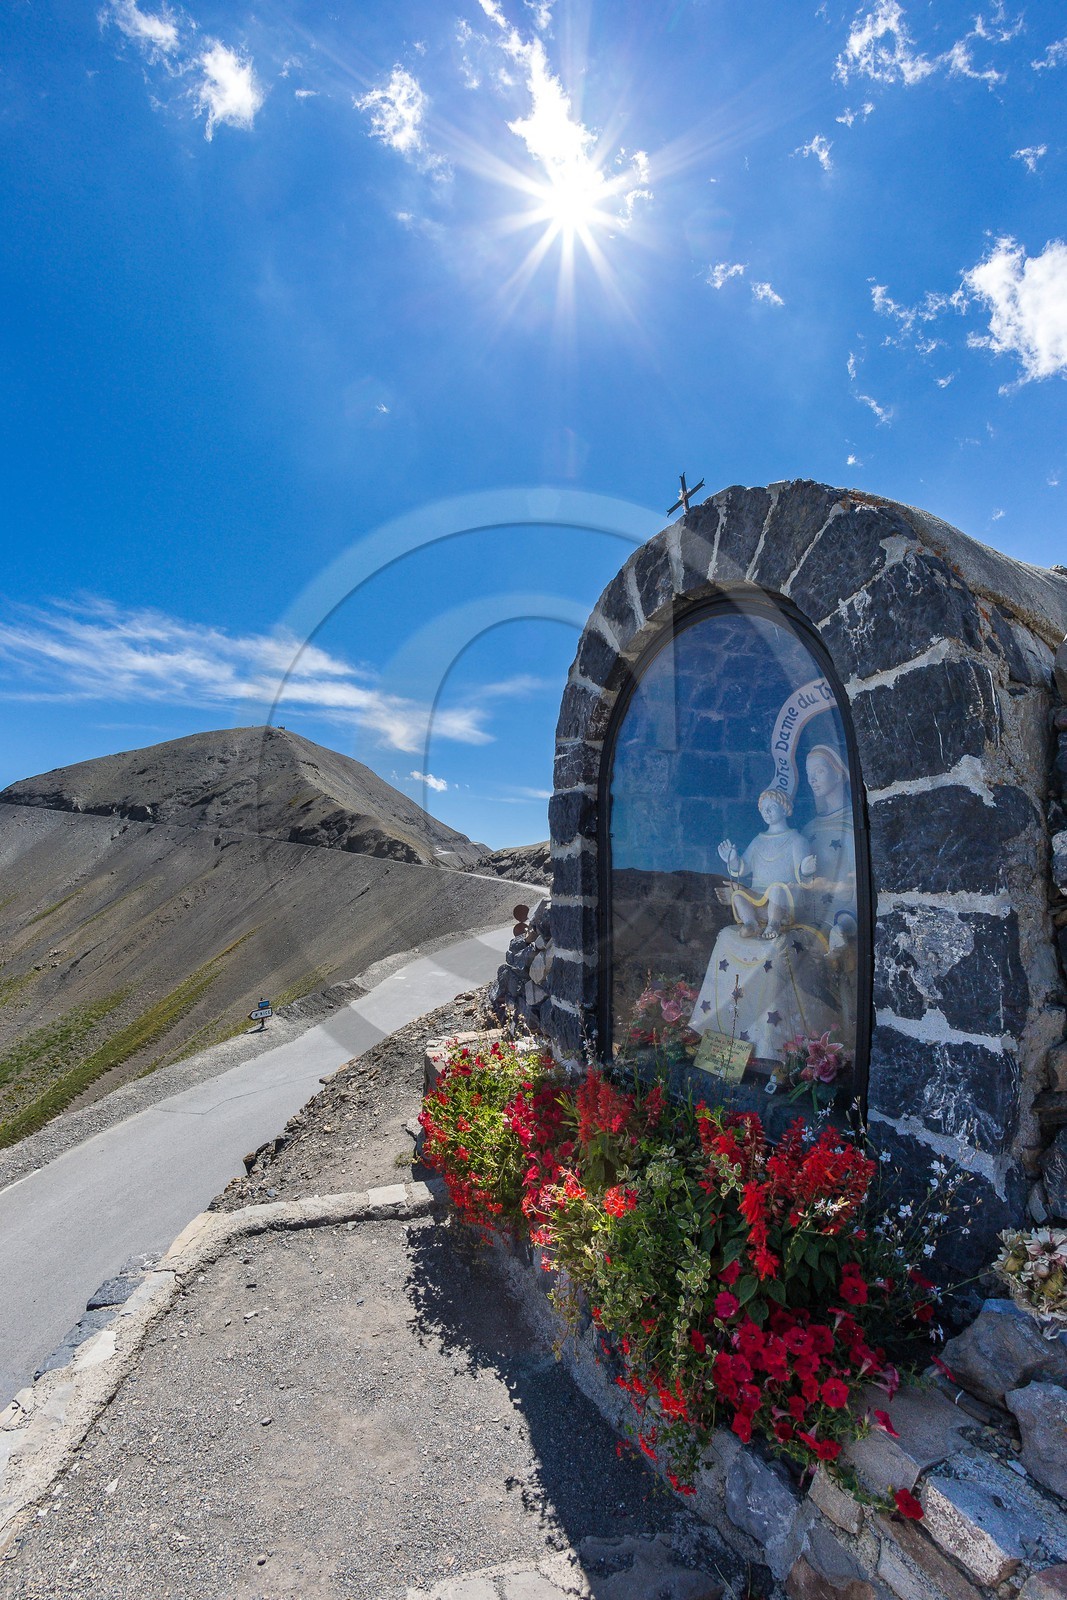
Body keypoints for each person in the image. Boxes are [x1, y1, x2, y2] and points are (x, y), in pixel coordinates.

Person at [717, 789, 816, 940]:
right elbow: (744, 868)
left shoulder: (797, 840)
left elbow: (802, 876)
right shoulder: (758, 841)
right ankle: (751, 923)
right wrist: (732, 860)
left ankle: (774, 924)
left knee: (776, 888)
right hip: (758, 898)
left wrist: (806, 870)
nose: (766, 812)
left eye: (771, 807)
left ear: (785, 809)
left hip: (784, 902)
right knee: (737, 895)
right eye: (763, 808)